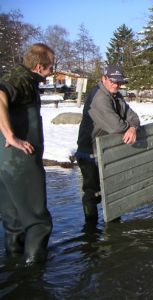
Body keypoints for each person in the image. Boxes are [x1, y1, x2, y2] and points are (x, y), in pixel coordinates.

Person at [0, 43, 54, 264]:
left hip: (5, 166)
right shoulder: (20, 78)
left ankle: (13, 270)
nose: (52, 70)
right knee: (38, 221)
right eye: (51, 66)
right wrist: (11, 136)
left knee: (14, 221)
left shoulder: (23, 78)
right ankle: (34, 276)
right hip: (20, 162)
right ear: (40, 66)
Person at [76, 65, 140, 222]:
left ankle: (112, 228)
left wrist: (133, 127)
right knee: (92, 193)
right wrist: (129, 126)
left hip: (106, 151)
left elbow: (134, 116)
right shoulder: (99, 97)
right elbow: (116, 126)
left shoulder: (116, 95)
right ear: (103, 78)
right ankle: (90, 233)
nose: (116, 85)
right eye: (113, 81)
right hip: (89, 152)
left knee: (112, 191)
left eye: (119, 82)